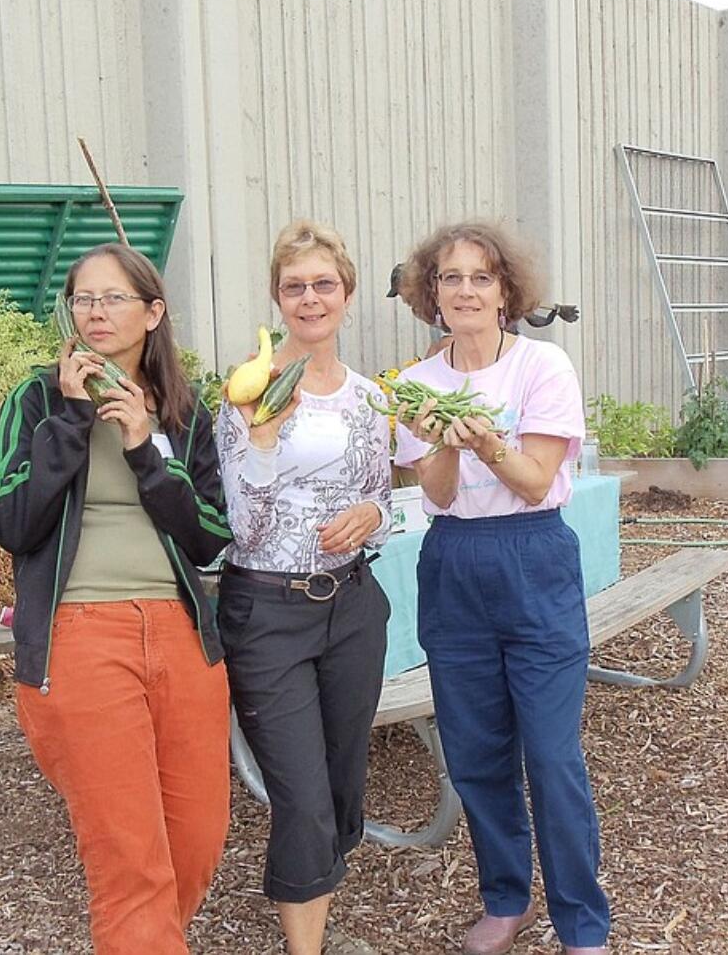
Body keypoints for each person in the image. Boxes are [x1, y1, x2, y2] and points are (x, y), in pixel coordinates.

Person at [0, 242, 232, 955]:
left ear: (153, 313)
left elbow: (210, 534)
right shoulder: (35, 398)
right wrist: (70, 418)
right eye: (83, 298)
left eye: (114, 297)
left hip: (182, 638)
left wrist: (146, 445)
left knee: (197, 842)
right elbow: (7, 518)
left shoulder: (183, 410)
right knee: (131, 864)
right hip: (81, 638)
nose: (95, 311)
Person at [393, 222, 611, 955]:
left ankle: (581, 919)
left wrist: (485, 439)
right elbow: (442, 497)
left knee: (552, 757)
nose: (464, 291)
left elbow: (537, 480)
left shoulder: (542, 368)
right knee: (476, 752)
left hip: (533, 559)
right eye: (449, 279)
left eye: (480, 277)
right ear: (432, 294)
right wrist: (440, 445)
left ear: (506, 291)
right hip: (455, 563)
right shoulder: (418, 385)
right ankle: (505, 899)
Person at [215, 220, 393, 955]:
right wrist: (261, 439)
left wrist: (372, 513)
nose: (310, 298)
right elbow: (243, 529)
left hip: (352, 606)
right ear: (276, 299)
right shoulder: (247, 390)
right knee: (303, 799)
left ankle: (317, 910)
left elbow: (383, 496)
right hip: (268, 611)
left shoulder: (369, 397)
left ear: (347, 296)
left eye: (324, 284)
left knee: (345, 790)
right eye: (295, 286)